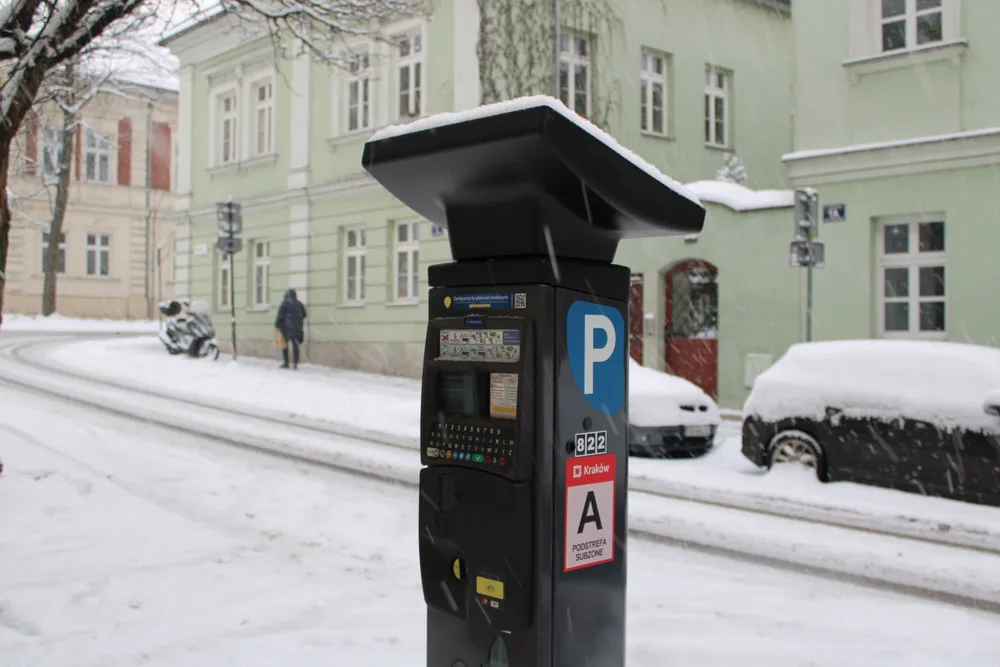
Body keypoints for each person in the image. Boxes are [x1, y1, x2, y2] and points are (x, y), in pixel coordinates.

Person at [275, 288, 307, 369]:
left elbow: (280, 315)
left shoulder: (285, 304)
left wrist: (277, 325)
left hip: (287, 328)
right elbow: (304, 314)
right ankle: (295, 363)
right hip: (297, 328)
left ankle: (286, 362)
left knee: (285, 346)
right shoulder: (299, 304)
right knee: (295, 345)